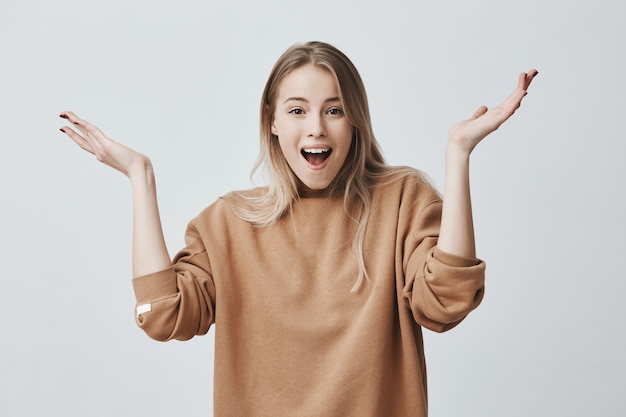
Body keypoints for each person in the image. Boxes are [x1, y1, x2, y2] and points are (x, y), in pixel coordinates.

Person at [59, 41, 537, 417]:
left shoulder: (402, 200)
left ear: (356, 121)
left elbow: (445, 303)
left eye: (334, 109)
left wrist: (458, 154)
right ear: (271, 121)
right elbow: (164, 316)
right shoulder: (228, 223)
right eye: (296, 110)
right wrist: (141, 178)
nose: (316, 129)